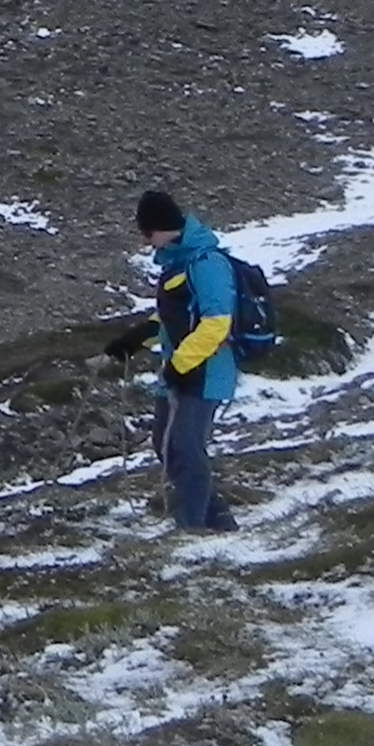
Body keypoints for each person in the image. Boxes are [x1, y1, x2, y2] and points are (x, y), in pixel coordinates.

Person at [114, 190, 241, 529]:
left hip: (206, 372)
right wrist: (133, 341)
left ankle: (192, 527)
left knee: (185, 446)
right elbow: (174, 320)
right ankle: (217, 518)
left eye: (146, 232)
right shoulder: (177, 263)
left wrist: (180, 365)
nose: (145, 240)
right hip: (180, 370)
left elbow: (216, 322)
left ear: (161, 227)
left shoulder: (205, 262)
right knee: (165, 443)